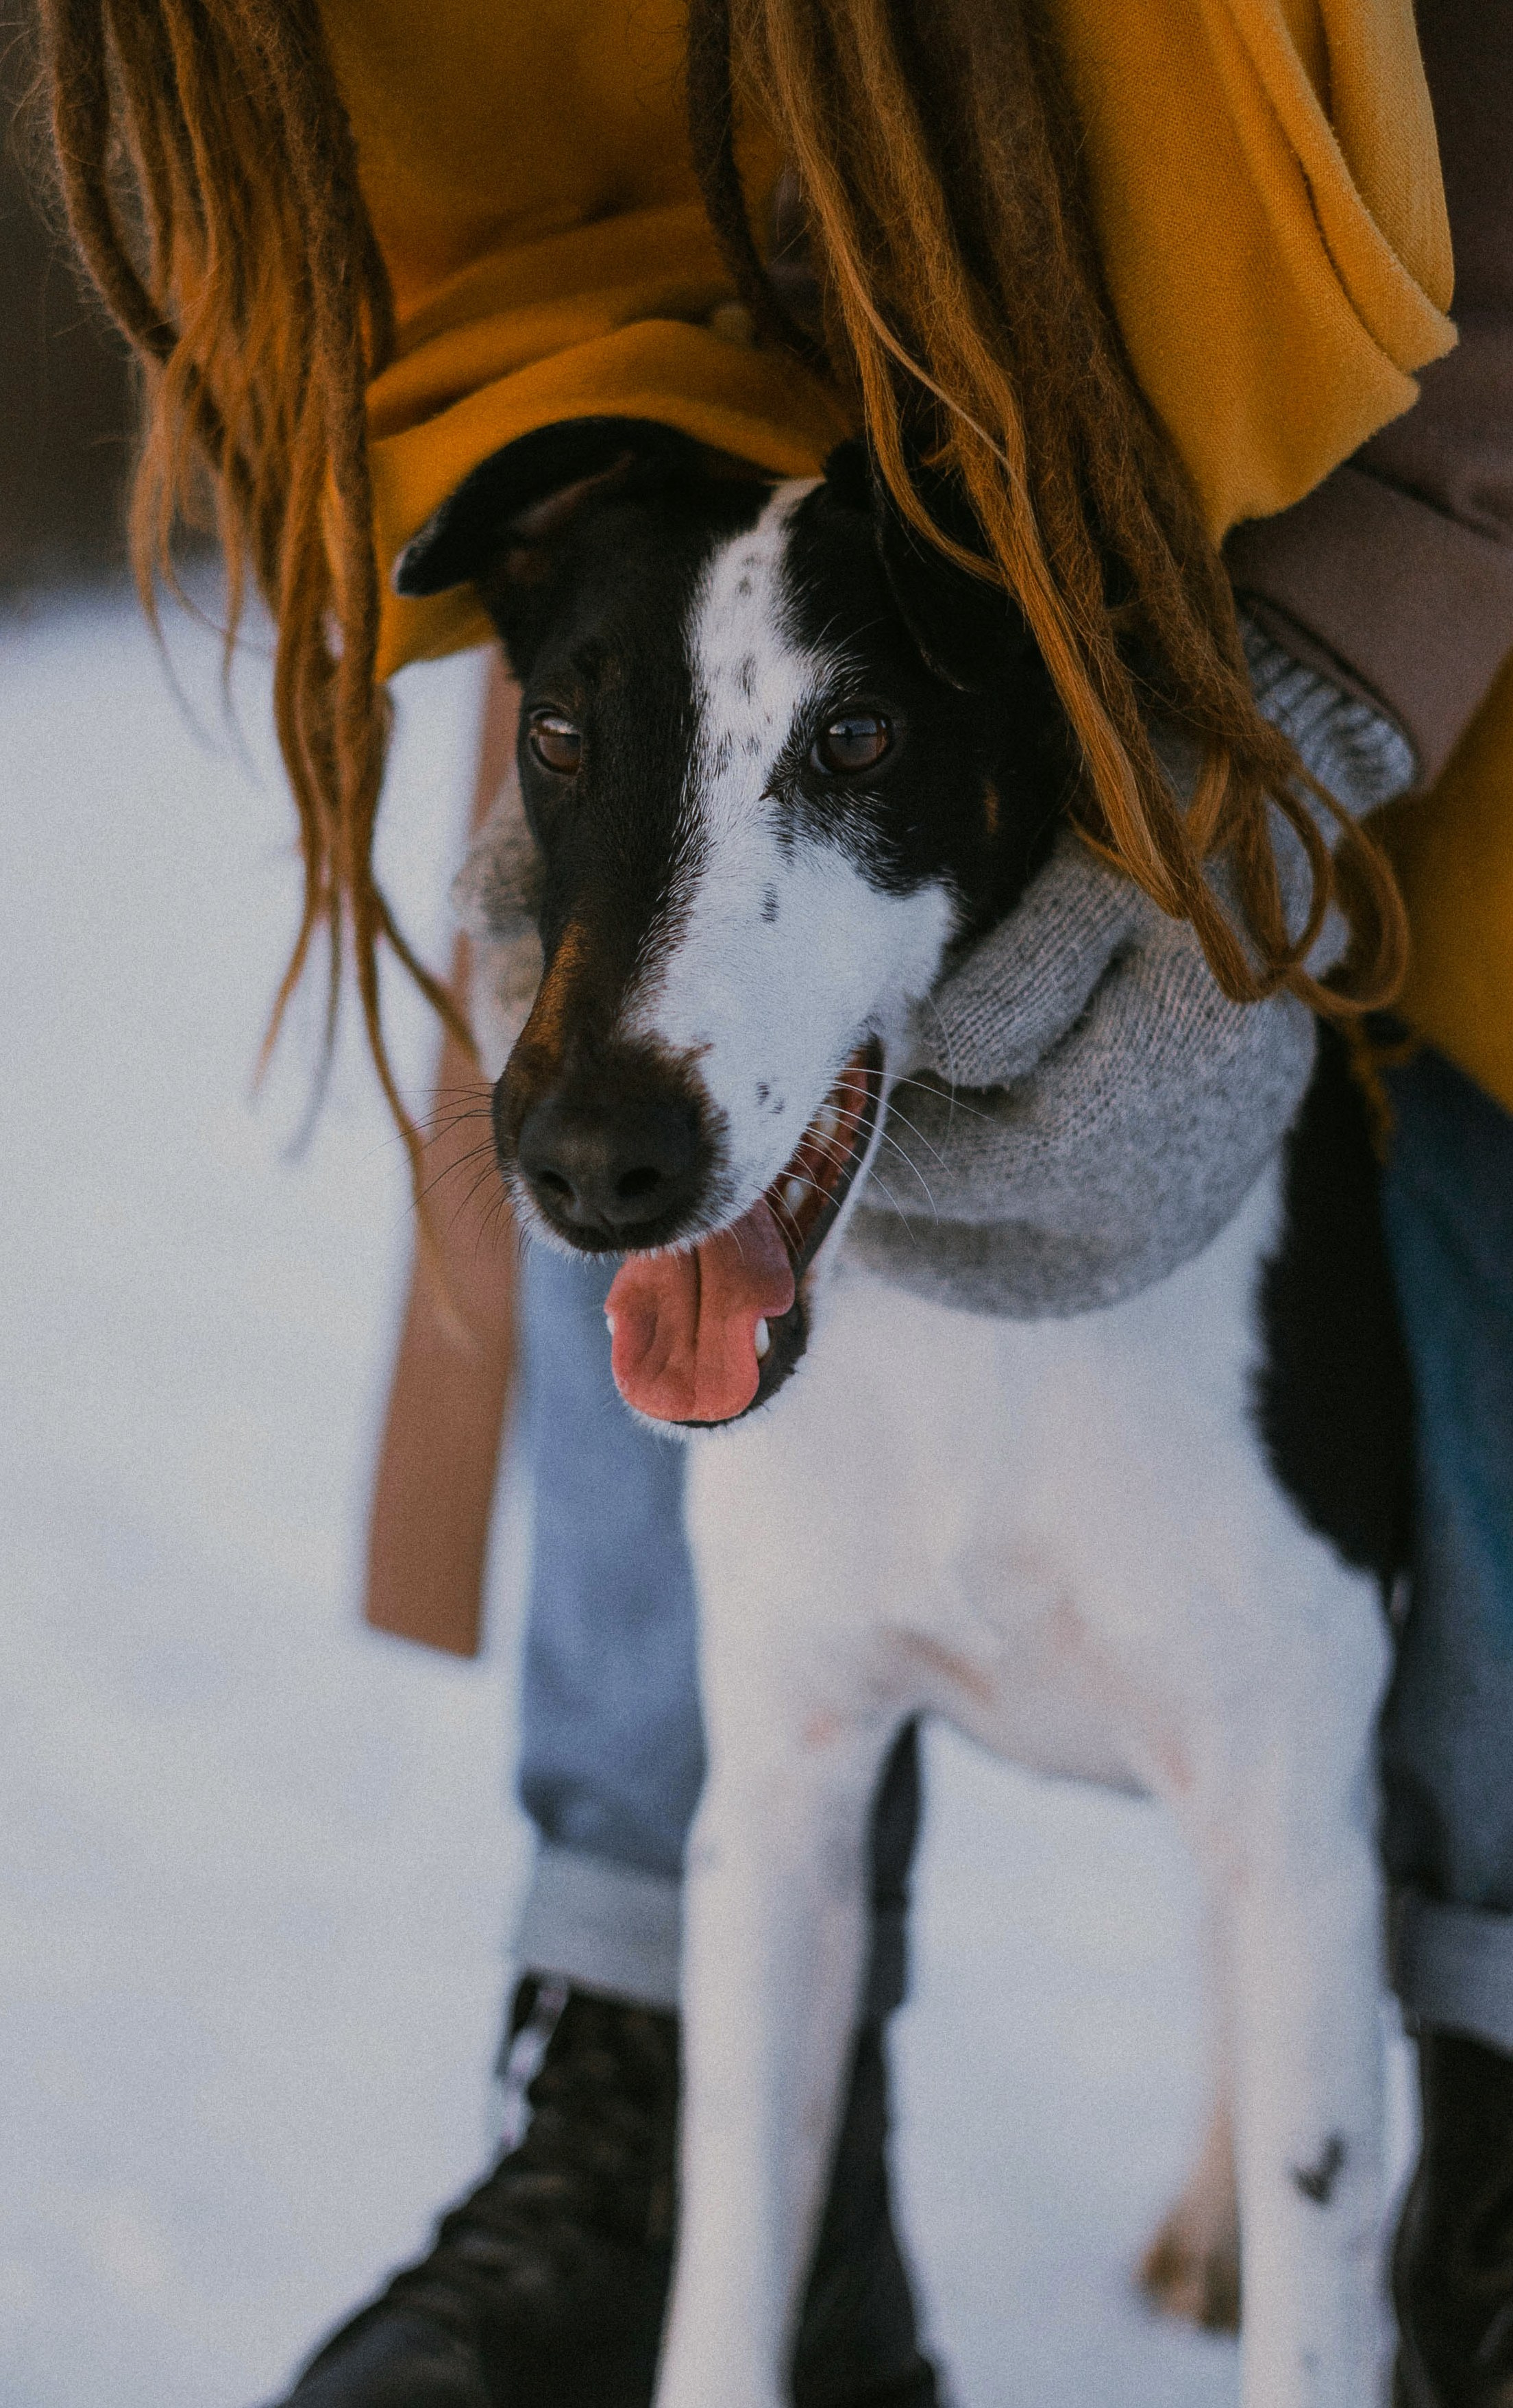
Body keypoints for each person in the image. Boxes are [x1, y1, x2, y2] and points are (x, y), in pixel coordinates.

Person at [32, 3, 1511, 2404]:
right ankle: (663, 2135)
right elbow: (447, 258)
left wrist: (1286, 746)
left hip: (1347, 463)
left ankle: (1469, 2149)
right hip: (712, 393)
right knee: (762, 1740)